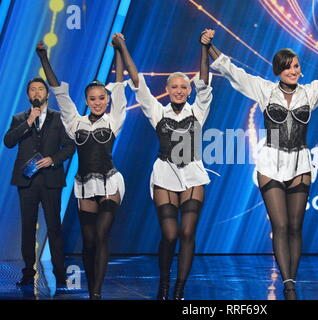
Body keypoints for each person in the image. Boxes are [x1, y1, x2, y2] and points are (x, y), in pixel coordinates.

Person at [206, 26, 318, 299]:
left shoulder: (310, 93)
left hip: (300, 164)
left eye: (296, 66)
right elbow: (232, 71)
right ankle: (288, 284)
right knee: (279, 226)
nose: (293, 70)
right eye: (287, 67)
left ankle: (293, 278)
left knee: (295, 227)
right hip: (270, 164)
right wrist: (209, 46)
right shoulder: (265, 90)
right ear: (278, 70)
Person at [36, 33, 138, 299]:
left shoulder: (113, 119)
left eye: (102, 97)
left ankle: (95, 292)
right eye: (93, 98)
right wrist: (44, 57)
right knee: (89, 241)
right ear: (87, 101)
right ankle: (92, 287)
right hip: (84, 186)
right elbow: (58, 91)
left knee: (102, 235)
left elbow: (118, 86)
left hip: (110, 183)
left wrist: (117, 50)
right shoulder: (75, 122)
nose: (98, 101)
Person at [128, 30, 214, 300]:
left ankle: (179, 290)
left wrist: (204, 47)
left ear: (188, 91)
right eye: (174, 87)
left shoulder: (198, 111)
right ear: (166, 90)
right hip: (164, 175)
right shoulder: (157, 111)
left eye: (183, 87)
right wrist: (122, 49)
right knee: (170, 235)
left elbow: (204, 81)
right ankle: (164, 284)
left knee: (187, 233)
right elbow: (138, 85)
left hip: (193, 176)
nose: (178, 91)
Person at [4, 77, 75, 287]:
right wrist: (28, 121)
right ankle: (28, 272)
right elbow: (8, 142)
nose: (36, 93)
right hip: (27, 181)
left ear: (47, 94)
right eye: (32, 90)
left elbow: (70, 147)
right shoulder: (19, 118)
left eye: (40, 89)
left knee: (54, 227)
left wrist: (53, 159)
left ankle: (60, 273)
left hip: (51, 180)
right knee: (27, 227)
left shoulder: (59, 118)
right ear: (28, 95)